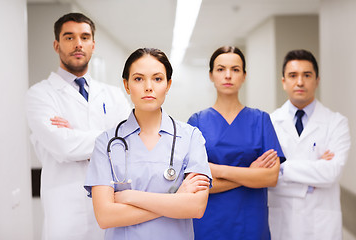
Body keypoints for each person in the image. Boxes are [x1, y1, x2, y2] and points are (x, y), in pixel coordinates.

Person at [84, 48, 212, 240]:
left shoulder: (191, 137)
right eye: (138, 79)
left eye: (158, 79)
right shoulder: (107, 143)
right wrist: (175, 201)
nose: (148, 87)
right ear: (126, 86)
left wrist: (130, 197)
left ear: (168, 85)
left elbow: (196, 207)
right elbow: (105, 217)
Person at [26, 13, 130, 240]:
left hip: (110, 204)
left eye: (85, 37)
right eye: (69, 37)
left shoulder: (113, 94)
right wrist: (109, 138)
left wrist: (74, 134)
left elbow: (128, 142)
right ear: (57, 45)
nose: (78, 44)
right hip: (65, 210)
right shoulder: (39, 95)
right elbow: (64, 147)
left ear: (93, 44)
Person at [187, 46, 286, 240]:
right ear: (211, 75)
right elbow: (196, 185)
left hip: (252, 222)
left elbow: (270, 178)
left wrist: (215, 169)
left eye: (235, 69)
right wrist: (250, 173)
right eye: (221, 69)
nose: (228, 75)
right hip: (209, 222)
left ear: (244, 76)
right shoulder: (197, 122)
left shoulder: (260, 120)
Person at [268, 49, 351, 240]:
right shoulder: (270, 123)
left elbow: (331, 173)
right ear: (283, 81)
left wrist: (281, 168)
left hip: (320, 225)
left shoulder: (336, 122)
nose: (299, 82)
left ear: (317, 80)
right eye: (293, 75)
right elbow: (266, 176)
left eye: (307, 75)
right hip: (282, 222)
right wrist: (314, 172)